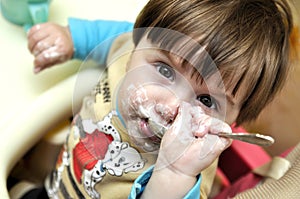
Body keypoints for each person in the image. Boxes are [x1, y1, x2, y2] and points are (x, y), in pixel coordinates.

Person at [24, 0, 293, 198]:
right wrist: (73, 38)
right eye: (165, 70)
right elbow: (115, 37)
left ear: (231, 124)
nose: (170, 107)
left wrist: (174, 173)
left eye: (206, 101)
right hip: (58, 182)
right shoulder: (130, 50)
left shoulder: (189, 172)